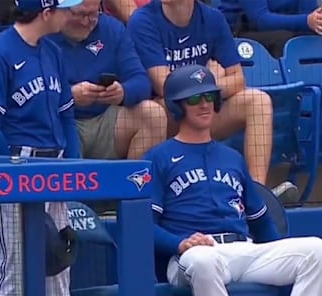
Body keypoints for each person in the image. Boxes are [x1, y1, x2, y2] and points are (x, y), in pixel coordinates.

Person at [144, 64, 322, 296]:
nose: (205, 104)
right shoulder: (159, 158)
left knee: (318, 251)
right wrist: (180, 244)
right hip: (192, 257)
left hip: (242, 249)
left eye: (210, 97)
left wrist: (282, 258)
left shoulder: (231, 157)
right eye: (194, 99)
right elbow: (142, 227)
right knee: (203, 260)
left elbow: (261, 223)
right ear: (177, 107)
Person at [0, 0, 82, 296]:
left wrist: (75, 165)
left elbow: (67, 116)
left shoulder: (52, 51)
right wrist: (11, 172)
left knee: (57, 267)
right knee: (16, 266)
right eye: (65, 9)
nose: (72, 14)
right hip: (17, 168)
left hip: (54, 169)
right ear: (47, 12)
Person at [127, 0, 300, 203]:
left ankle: (256, 196)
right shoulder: (143, 20)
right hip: (168, 116)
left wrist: (204, 85)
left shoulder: (212, 18)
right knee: (155, 110)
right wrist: (209, 79)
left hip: (203, 108)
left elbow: (238, 80)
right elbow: (165, 87)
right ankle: (144, 199)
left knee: (258, 101)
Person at [51, 0, 167, 160]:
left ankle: (132, 182)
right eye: (80, 14)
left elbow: (141, 80)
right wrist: (70, 96)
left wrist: (122, 93)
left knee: (153, 115)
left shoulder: (111, 29)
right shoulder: (43, 32)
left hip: (105, 119)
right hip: (60, 123)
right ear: (60, 10)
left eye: (92, 14)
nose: (86, 21)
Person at [219, 0, 322, 57]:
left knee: (320, 38)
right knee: (282, 39)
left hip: (285, 30)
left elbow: (307, 15)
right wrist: (307, 20)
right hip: (239, 31)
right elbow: (261, 19)